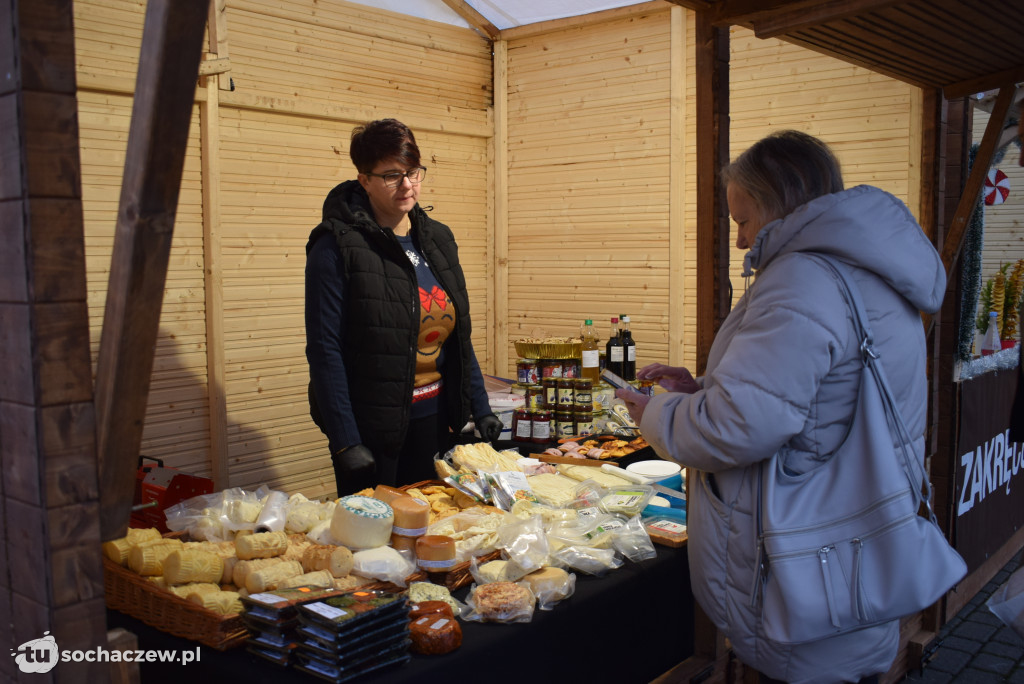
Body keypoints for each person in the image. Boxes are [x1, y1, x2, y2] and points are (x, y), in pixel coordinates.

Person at [617, 130, 946, 683]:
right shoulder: (866, 271)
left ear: (778, 204)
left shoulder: (801, 279)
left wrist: (653, 414)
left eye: (743, 221)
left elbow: (737, 428)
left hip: (805, 574)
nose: (742, 241)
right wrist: (704, 389)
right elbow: (816, 404)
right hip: (855, 550)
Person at [305, 118, 503, 495]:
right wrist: (346, 439)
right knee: (379, 544)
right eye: (391, 176)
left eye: (413, 172)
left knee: (437, 528)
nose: (408, 185)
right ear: (364, 179)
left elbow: (459, 337)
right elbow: (324, 350)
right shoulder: (334, 248)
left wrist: (480, 406)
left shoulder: (438, 239)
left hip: (438, 422)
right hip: (373, 428)